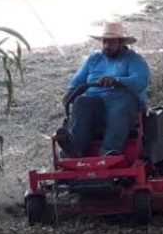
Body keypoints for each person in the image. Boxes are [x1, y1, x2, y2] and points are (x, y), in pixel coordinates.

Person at [57, 21, 150, 158]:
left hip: (124, 104)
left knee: (120, 106)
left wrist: (117, 80)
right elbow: (77, 82)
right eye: (105, 42)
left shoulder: (134, 60)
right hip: (97, 104)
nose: (107, 46)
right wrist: (69, 94)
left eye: (111, 42)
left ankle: (109, 151)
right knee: (82, 102)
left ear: (121, 42)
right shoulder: (94, 59)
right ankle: (75, 148)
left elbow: (140, 81)